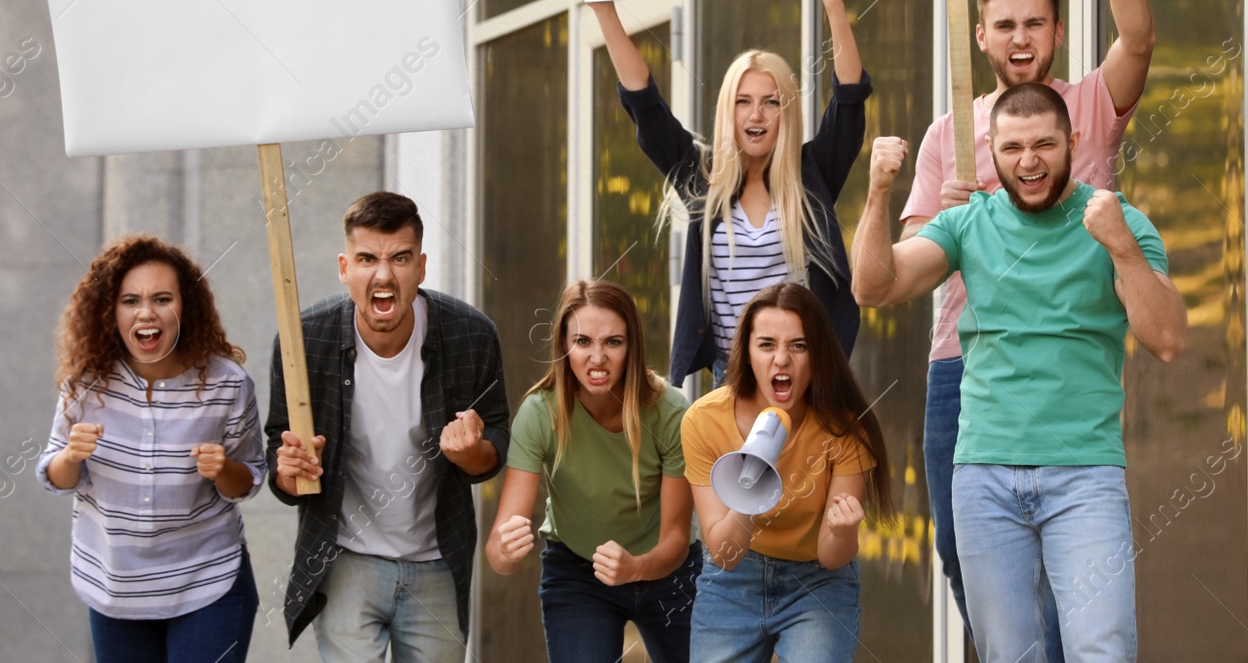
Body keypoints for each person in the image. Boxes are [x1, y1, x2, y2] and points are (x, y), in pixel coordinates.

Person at [852, 84, 1186, 663]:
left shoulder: (1117, 220)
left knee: (1101, 650)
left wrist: (1122, 248)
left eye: (1043, 145)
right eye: (1012, 148)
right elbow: (875, 286)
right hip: (983, 476)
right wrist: (880, 192)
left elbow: (1167, 339)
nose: (1028, 161)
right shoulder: (966, 223)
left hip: (1084, 475)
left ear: (1073, 144)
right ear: (992, 150)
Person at [901, 0, 1154, 648]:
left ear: (1057, 34)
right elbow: (909, 255)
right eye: (1004, 24)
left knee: (1072, 566)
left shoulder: (1087, 110)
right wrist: (939, 216)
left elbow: (1137, 40)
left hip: (1061, 361)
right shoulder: (949, 129)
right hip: (963, 362)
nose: (1020, 38)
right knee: (959, 549)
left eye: (1035, 23)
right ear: (980, 37)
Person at [574, 0, 872, 384]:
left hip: (803, 376)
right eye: (743, 102)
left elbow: (848, 98)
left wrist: (833, 6)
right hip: (729, 378)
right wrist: (604, 11)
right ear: (727, 112)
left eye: (771, 102)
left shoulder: (812, 173)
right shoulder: (703, 178)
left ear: (786, 112)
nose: (757, 116)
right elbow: (645, 104)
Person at [265, 191, 510, 662]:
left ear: (420, 267)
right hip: (345, 559)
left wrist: (471, 452)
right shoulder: (303, 342)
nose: (383, 274)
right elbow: (281, 456)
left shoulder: (471, 334)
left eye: (399, 258)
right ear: (344, 268)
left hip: (437, 560)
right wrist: (290, 467)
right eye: (367, 259)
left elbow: (497, 437)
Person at [38, 235, 265, 663]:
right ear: (110, 311)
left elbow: (248, 479)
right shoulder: (85, 385)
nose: (146, 312)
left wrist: (223, 470)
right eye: (130, 300)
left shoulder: (227, 383)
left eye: (163, 298)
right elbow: (53, 476)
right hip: (115, 589)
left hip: (208, 585)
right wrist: (71, 456)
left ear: (186, 307)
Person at [486, 279, 700, 662]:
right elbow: (498, 554)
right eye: (583, 342)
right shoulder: (539, 414)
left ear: (632, 346)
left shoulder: (670, 412)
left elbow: (676, 540)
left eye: (613, 342)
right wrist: (505, 551)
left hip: (670, 573)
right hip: (578, 574)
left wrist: (635, 568)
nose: (597, 357)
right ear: (564, 346)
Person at [681, 282, 893, 663]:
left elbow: (833, 556)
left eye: (799, 345)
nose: (782, 360)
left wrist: (843, 530)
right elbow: (725, 554)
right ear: (745, 353)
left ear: (818, 355)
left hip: (817, 580)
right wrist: (747, 490)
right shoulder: (703, 420)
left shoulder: (846, 430)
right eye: (766, 345)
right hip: (732, 581)